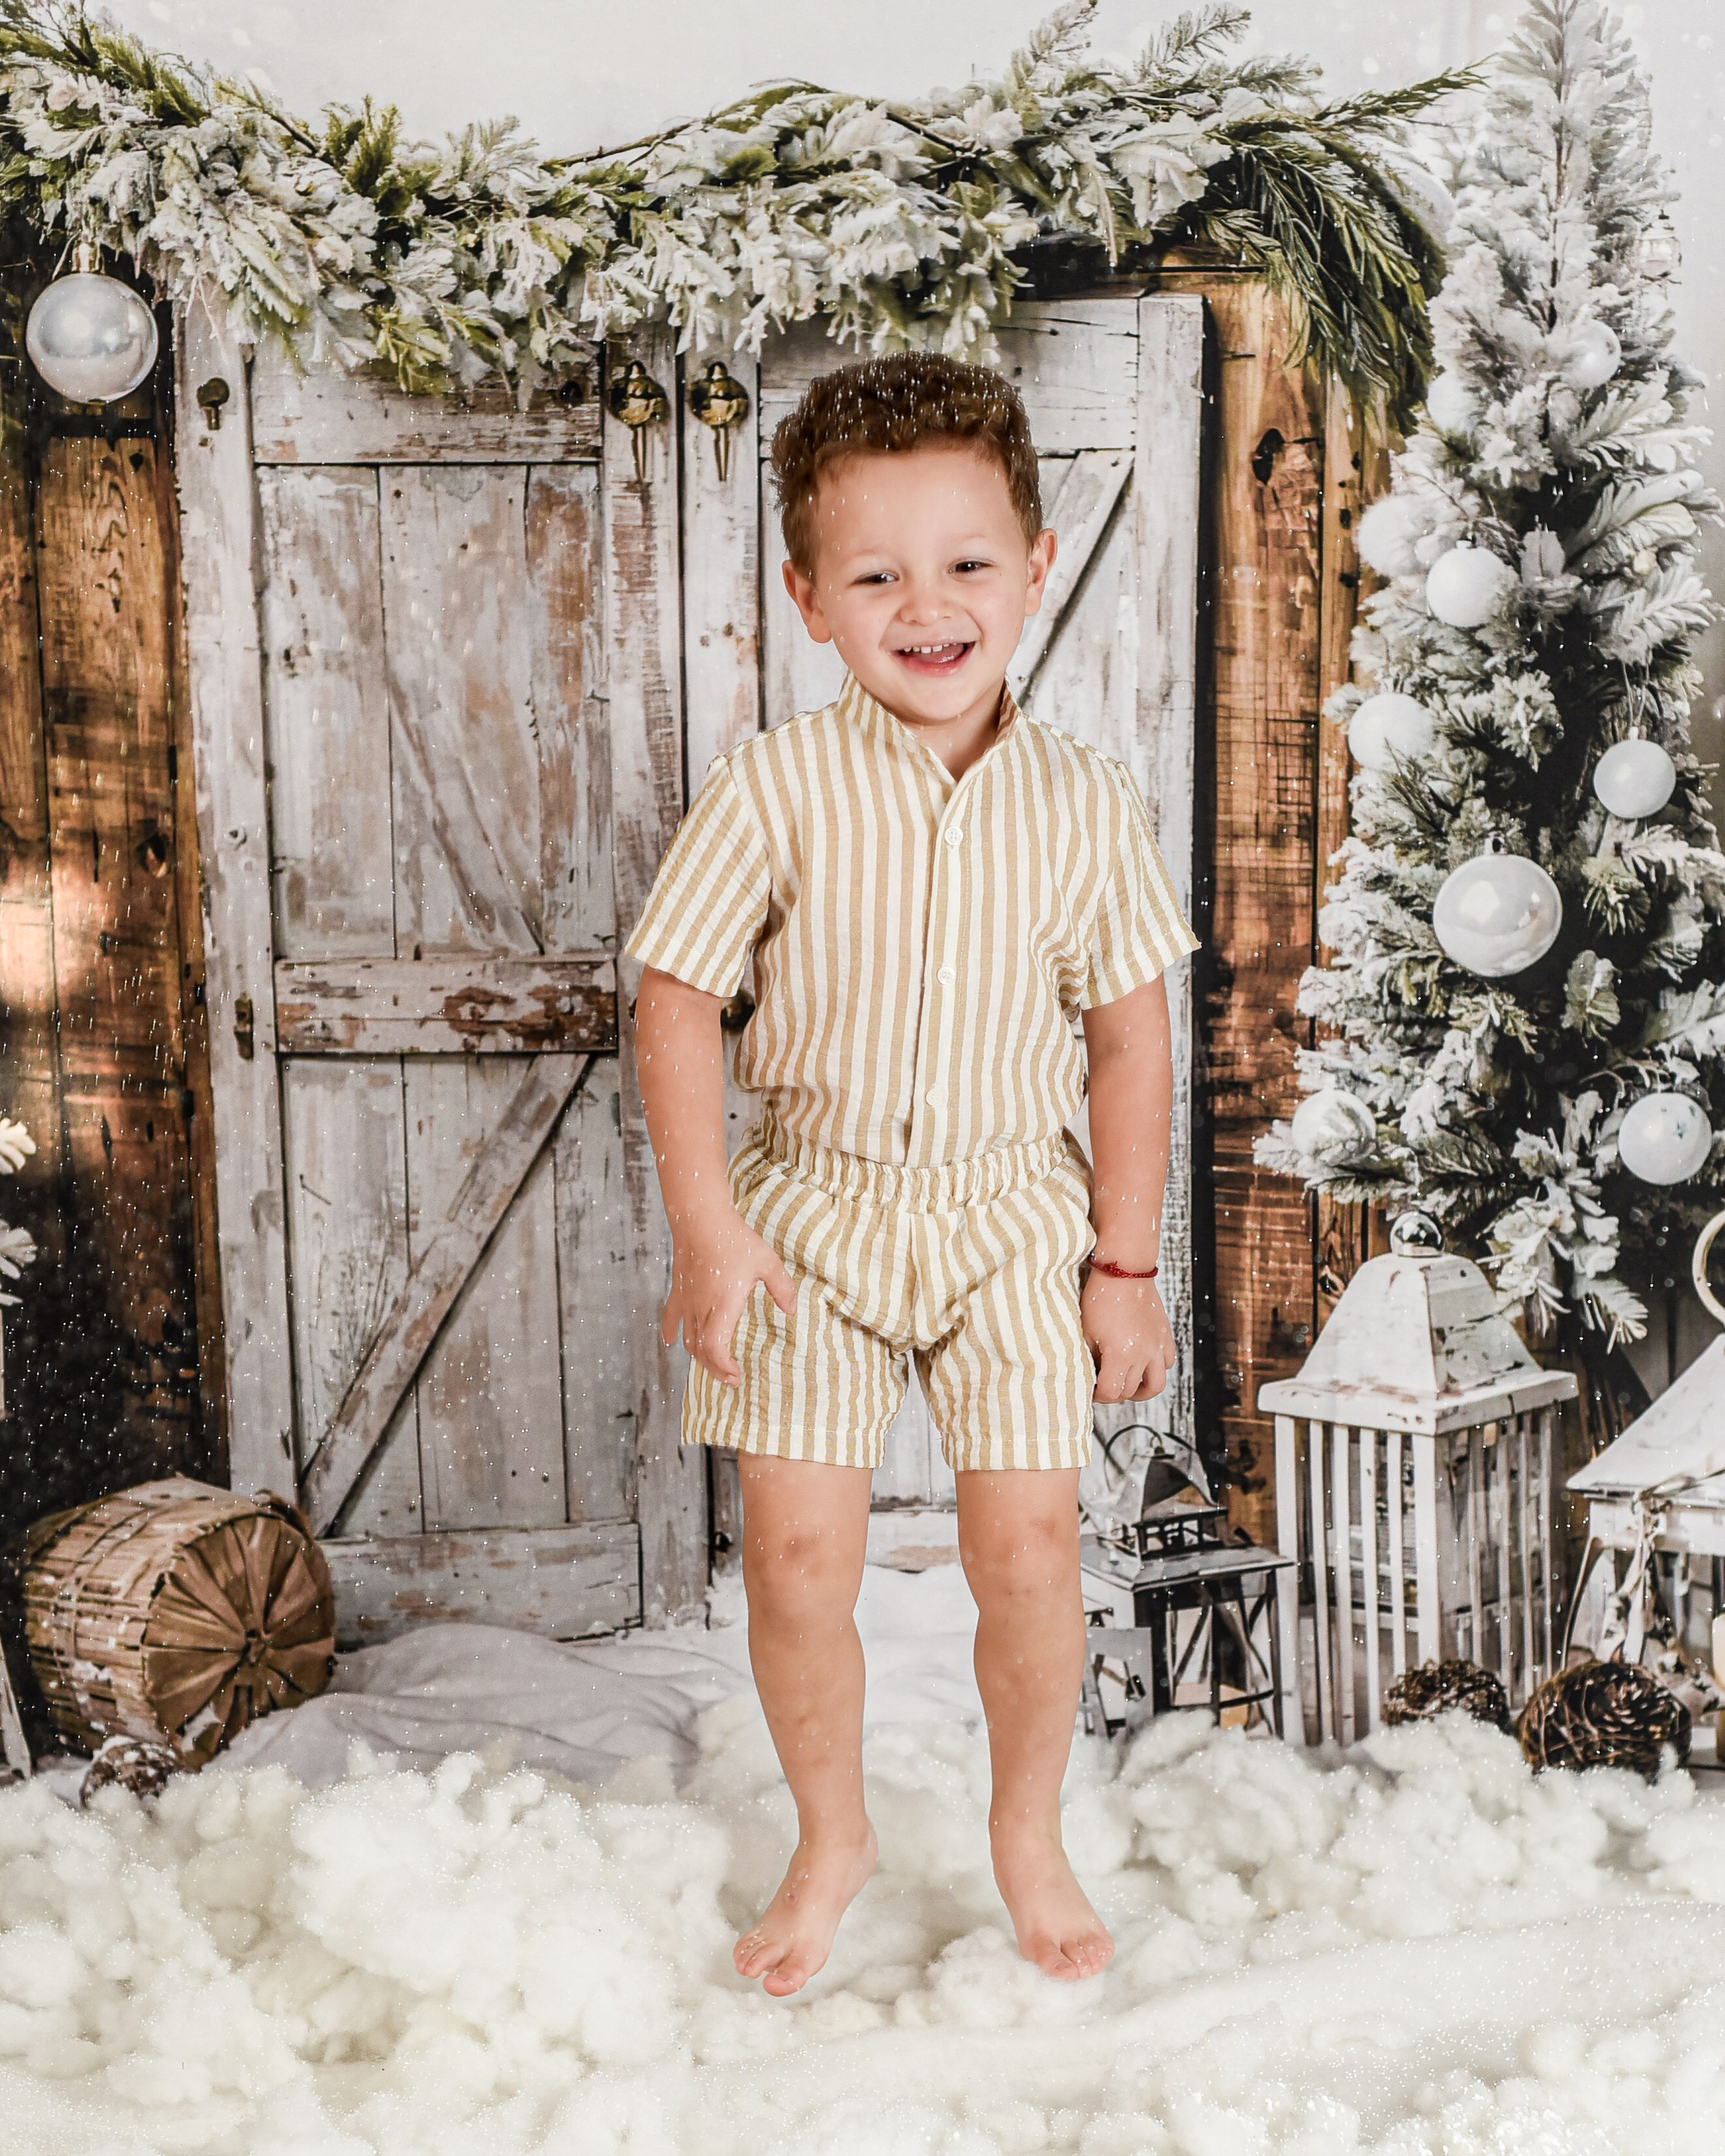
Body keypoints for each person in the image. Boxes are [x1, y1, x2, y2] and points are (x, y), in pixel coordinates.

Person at [627, 352, 1196, 1997]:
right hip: (808, 1214)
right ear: (809, 599)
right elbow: (675, 1003)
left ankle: (1027, 1830)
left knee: (1023, 1547)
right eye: (874, 573)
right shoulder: (775, 786)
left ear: (1029, 567)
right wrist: (710, 1229)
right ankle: (833, 1836)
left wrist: (1124, 1261)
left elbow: (1128, 1042)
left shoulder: (1083, 803)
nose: (924, 605)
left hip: (1012, 1214)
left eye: (964, 564)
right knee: (799, 1556)